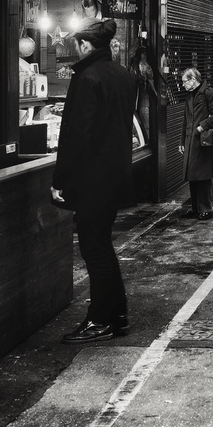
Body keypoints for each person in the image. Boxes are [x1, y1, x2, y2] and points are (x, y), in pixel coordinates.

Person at [51, 18, 138, 345]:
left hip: (92, 180)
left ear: (85, 45)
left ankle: (101, 320)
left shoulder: (87, 78)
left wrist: (60, 179)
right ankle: (117, 314)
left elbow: (77, 137)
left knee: (94, 249)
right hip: (115, 175)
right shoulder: (123, 75)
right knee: (101, 246)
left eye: (77, 44)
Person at [177, 66, 213, 220]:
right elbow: (185, 119)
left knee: (203, 177)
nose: (183, 85)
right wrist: (181, 141)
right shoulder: (190, 95)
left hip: (202, 142)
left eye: (185, 81)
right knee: (193, 176)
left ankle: (205, 209)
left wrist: (201, 126)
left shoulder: (207, 93)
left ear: (193, 80)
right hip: (190, 141)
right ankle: (196, 208)